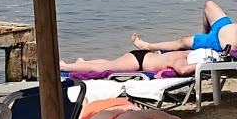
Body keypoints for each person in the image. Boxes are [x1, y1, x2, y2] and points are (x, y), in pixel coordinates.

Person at [132, 0, 237, 55]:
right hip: (225, 28)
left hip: (218, 42)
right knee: (209, 4)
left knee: (181, 41)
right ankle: (202, 39)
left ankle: (147, 46)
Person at [61, 45, 212, 75]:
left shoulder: (185, 53)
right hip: (138, 62)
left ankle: (81, 63)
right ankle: (65, 67)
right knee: (101, 69)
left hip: (141, 57)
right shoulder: (180, 59)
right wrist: (203, 64)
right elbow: (183, 70)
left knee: (110, 63)